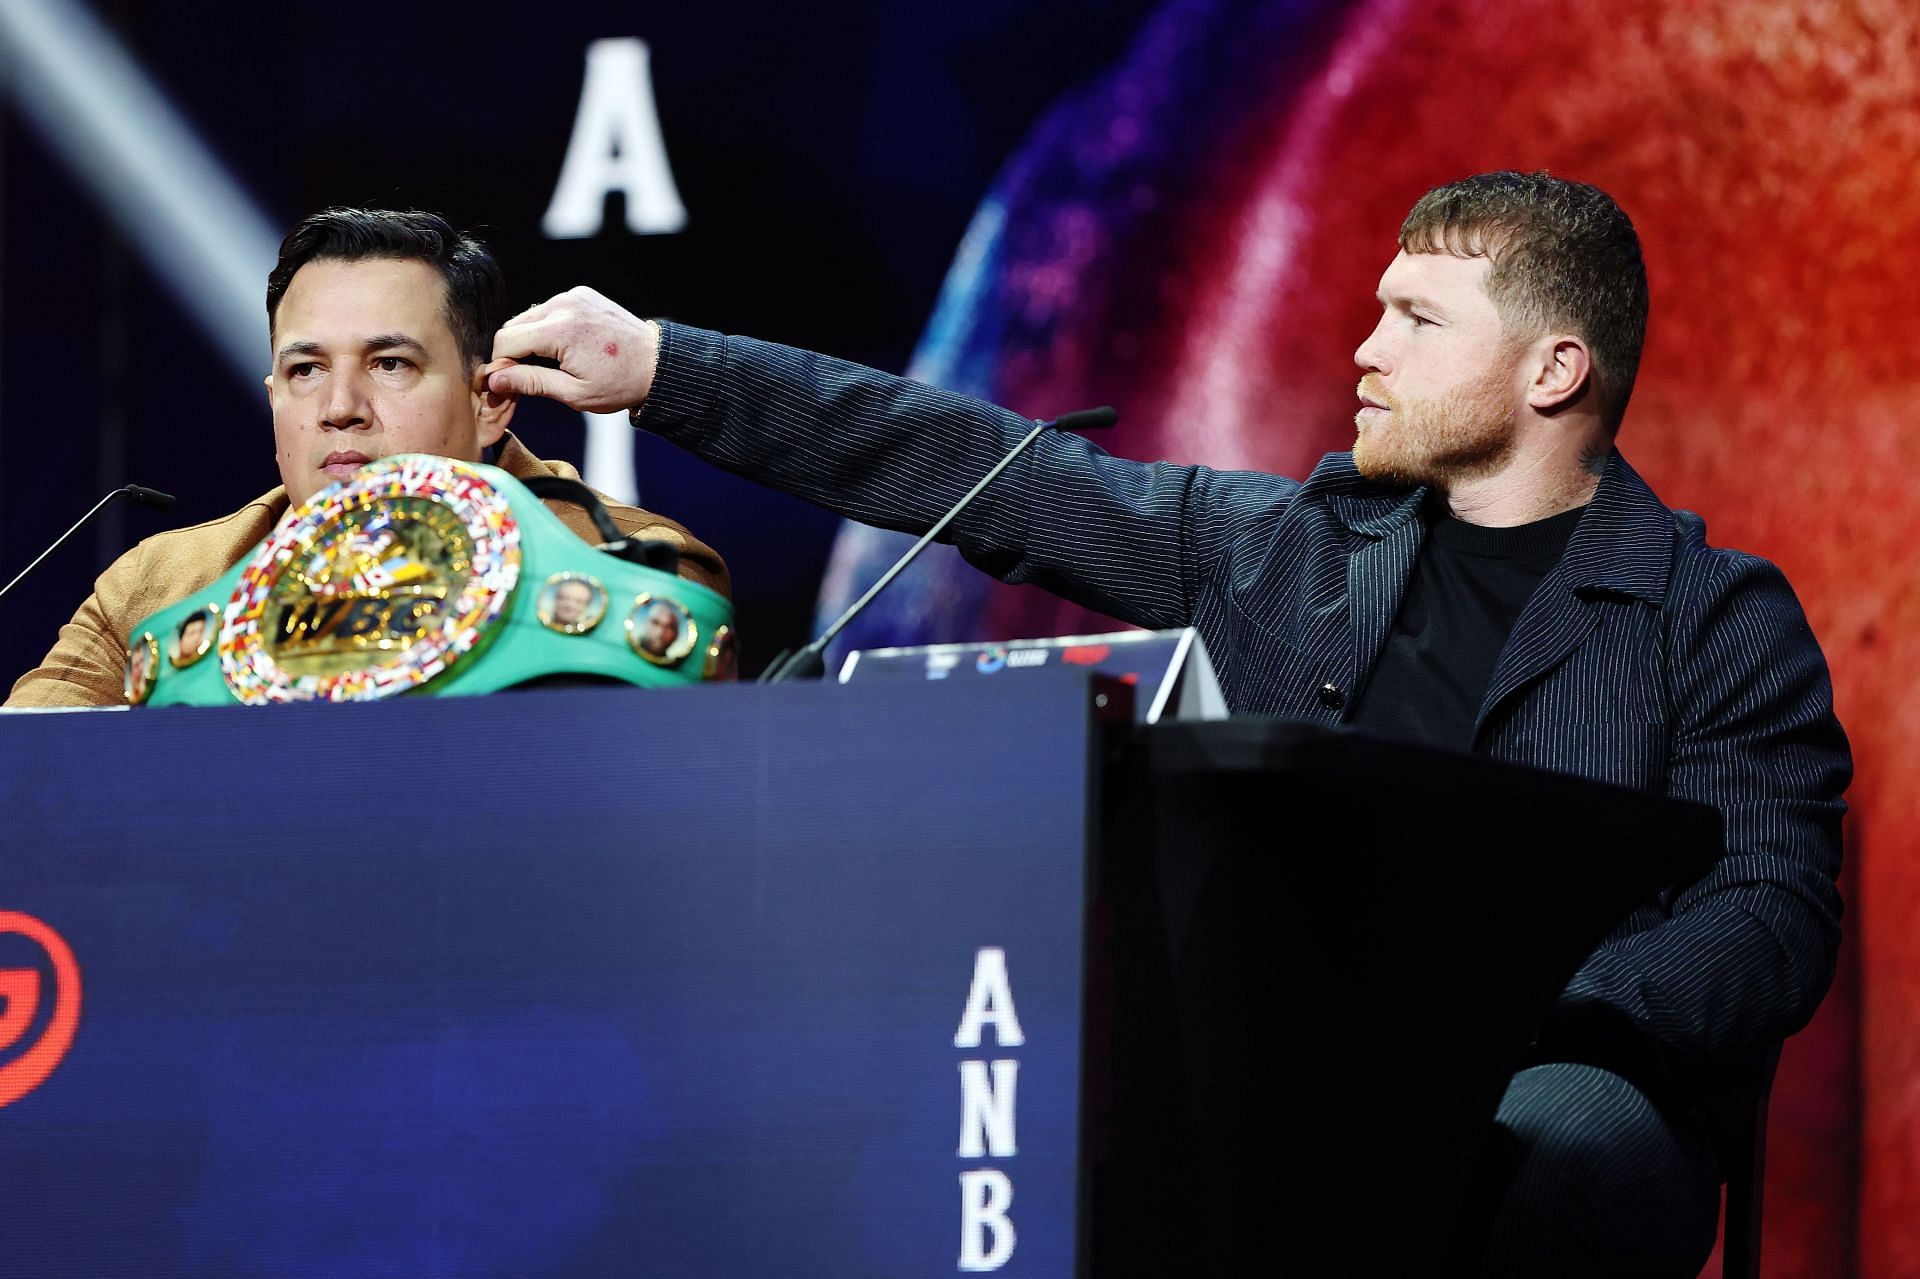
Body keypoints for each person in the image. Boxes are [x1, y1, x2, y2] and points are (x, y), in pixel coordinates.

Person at [485, 171, 1850, 1276]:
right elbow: (982, 468)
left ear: (1554, 369)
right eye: (1376, 308)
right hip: (1281, 1057)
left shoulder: (1712, 616)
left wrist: (1511, 1010)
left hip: (1559, 1074)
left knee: (1521, 1155)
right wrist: (666, 367)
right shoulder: (1284, 549)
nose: (1364, 347)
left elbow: (1771, 909)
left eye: (1417, 321)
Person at [6, 209, 727, 708]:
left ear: (490, 401)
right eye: (305, 371)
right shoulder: (156, 588)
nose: (339, 405)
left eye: (389, 364)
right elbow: (28, 785)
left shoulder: (632, 562)